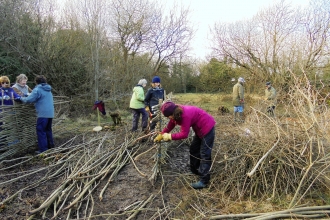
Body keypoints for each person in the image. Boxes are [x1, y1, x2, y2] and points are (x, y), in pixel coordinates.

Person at [154, 101, 216, 189]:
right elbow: (171, 124)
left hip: (207, 128)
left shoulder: (184, 115)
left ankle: (204, 181)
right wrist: (162, 133)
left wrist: (170, 136)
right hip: (199, 129)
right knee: (194, 149)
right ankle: (195, 170)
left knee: (205, 154)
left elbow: (184, 134)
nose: (168, 118)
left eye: (168, 116)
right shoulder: (175, 112)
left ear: (172, 114)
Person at [20, 75, 54, 154]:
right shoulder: (48, 89)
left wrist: (21, 98)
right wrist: (27, 94)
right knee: (48, 130)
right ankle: (51, 146)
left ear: (37, 82)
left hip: (43, 114)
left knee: (41, 130)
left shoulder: (38, 89)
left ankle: (43, 150)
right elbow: (36, 96)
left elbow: (29, 100)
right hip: (50, 113)